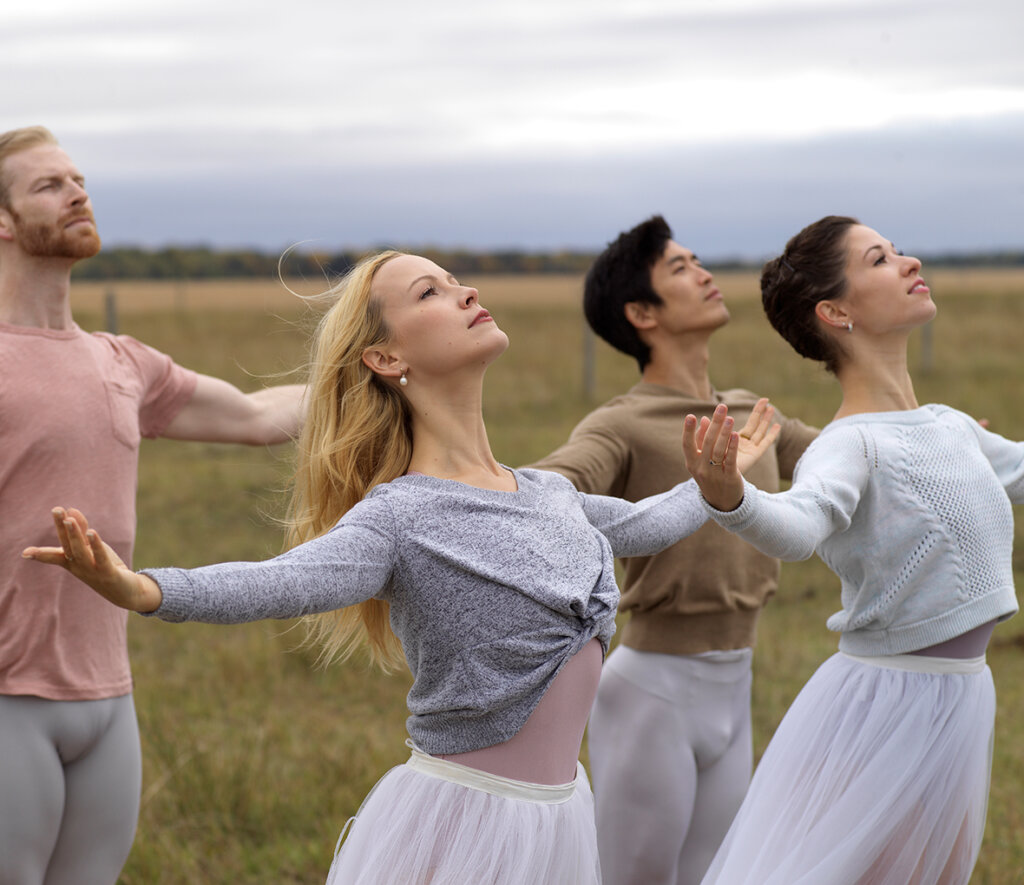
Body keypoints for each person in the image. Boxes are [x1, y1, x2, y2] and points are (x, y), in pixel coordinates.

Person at [23, 249, 781, 884]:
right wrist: (143, 587)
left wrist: (722, 485)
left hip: (561, 820)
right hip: (465, 825)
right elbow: (276, 580)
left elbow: (645, 525)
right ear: (386, 356)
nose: (467, 292)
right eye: (432, 292)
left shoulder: (549, 493)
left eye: (459, 283)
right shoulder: (400, 516)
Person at [0, 125, 306, 885]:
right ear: (2, 221)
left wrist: (378, 373)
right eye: (48, 185)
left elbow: (260, 417)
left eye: (79, 180)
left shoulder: (124, 362)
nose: (77, 192)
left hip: (110, 702)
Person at [680, 215, 1022, 885]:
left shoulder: (949, 425)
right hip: (890, 707)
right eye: (880, 258)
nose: (908, 261)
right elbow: (800, 528)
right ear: (836, 311)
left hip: (960, 697)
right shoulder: (848, 443)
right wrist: (732, 498)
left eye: (897, 251)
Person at [530, 215, 817, 885]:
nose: (705, 273)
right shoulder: (620, 423)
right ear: (640, 312)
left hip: (735, 682)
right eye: (680, 268)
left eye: (697, 260)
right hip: (650, 693)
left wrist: (938, 440)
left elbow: (849, 459)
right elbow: (548, 490)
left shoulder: (752, 415)